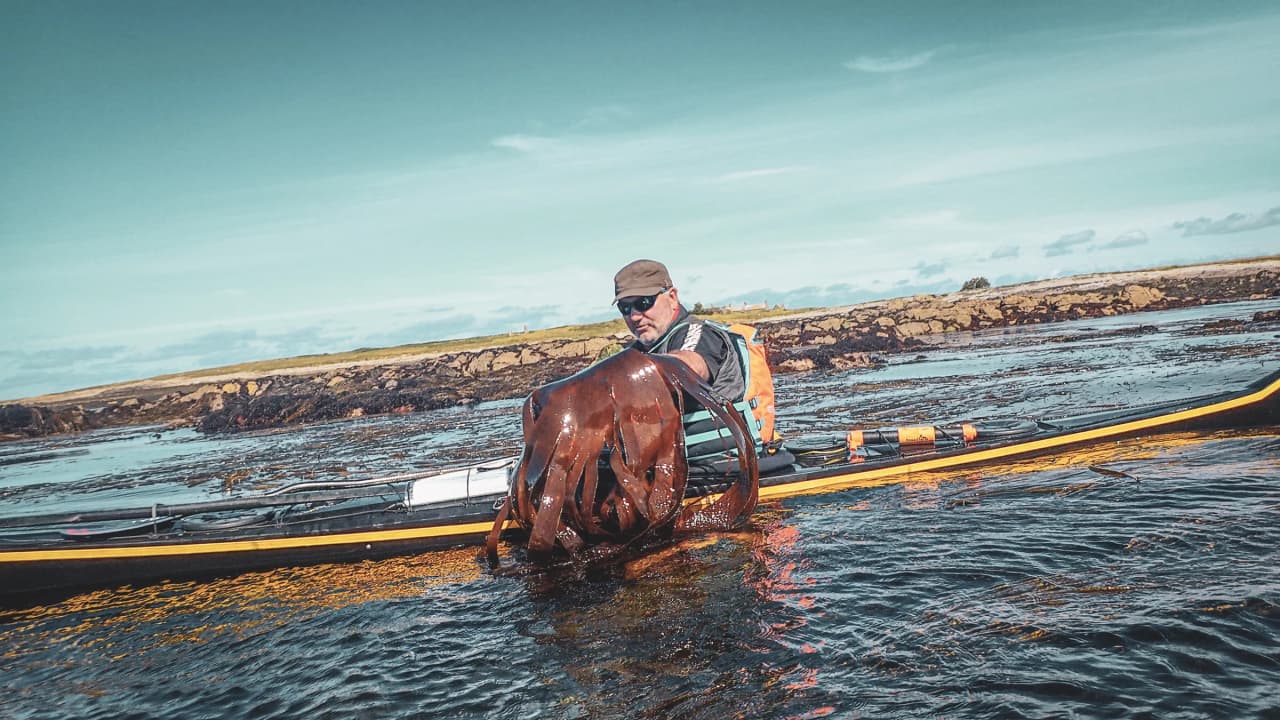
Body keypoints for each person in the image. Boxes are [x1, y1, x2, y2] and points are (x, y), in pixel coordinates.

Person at [613, 259, 779, 463]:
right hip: (665, 463)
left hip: (725, 462)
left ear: (672, 297)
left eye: (643, 303)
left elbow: (689, 367)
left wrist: (620, 380)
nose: (635, 316)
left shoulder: (699, 334)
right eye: (625, 308)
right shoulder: (636, 351)